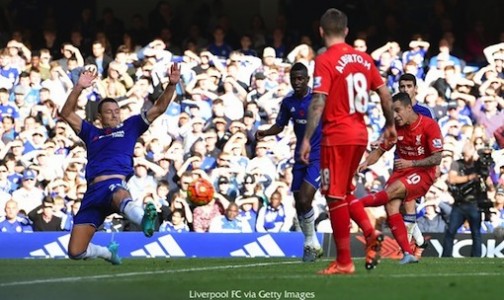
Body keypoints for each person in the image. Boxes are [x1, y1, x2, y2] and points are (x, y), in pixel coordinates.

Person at [299, 8, 396, 275]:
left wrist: (307, 138)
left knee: (334, 196)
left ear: (321, 32)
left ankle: (344, 261)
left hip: (337, 135)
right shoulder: (364, 58)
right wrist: (389, 124)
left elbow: (318, 100)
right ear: (346, 31)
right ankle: (369, 232)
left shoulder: (325, 59)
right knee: (347, 193)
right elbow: (385, 94)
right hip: (359, 133)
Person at [60, 63, 180, 265]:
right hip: (92, 193)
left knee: (117, 191)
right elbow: (66, 113)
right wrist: (78, 87)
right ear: (99, 117)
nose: (115, 114)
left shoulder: (131, 126)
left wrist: (171, 85)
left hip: (113, 183)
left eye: (117, 110)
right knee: (75, 252)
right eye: (109, 111)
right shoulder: (92, 133)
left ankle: (144, 220)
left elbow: (159, 108)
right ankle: (107, 253)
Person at [358, 92, 443, 264]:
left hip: (423, 172)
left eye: (398, 111)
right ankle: (408, 253)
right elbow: (381, 150)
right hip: (402, 171)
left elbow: (437, 158)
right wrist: (366, 162)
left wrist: (410, 162)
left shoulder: (429, 125)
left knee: (391, 192)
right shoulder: (396, 128)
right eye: (392, 112)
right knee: (391, 207)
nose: (395, 116)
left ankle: (353, 204)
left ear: (409, 108)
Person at [255, 62, 322, 262]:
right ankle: (313, 245)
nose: (297, 82)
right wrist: (265, 132)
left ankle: (310, 242)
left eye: (301, 78)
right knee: (298, 202)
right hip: (299, 156)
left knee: (304, 199)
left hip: (318, 156)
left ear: (308, 79)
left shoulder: (318, 100)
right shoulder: (288, 102)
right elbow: (280, 124)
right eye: (294, 79)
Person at [442, 142, 494, 257]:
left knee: (476, 232)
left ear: (472, 153)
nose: (465, 158)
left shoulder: (478, 165)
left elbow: (489, 184)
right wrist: (470, 177)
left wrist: (485, 179)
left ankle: (476, 257)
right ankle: (445, 256)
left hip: (474, 203)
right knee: (450, 231)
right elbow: (452, 179)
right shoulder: (457, 164)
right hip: (459, 203)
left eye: (467, 155)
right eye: (463, 155)